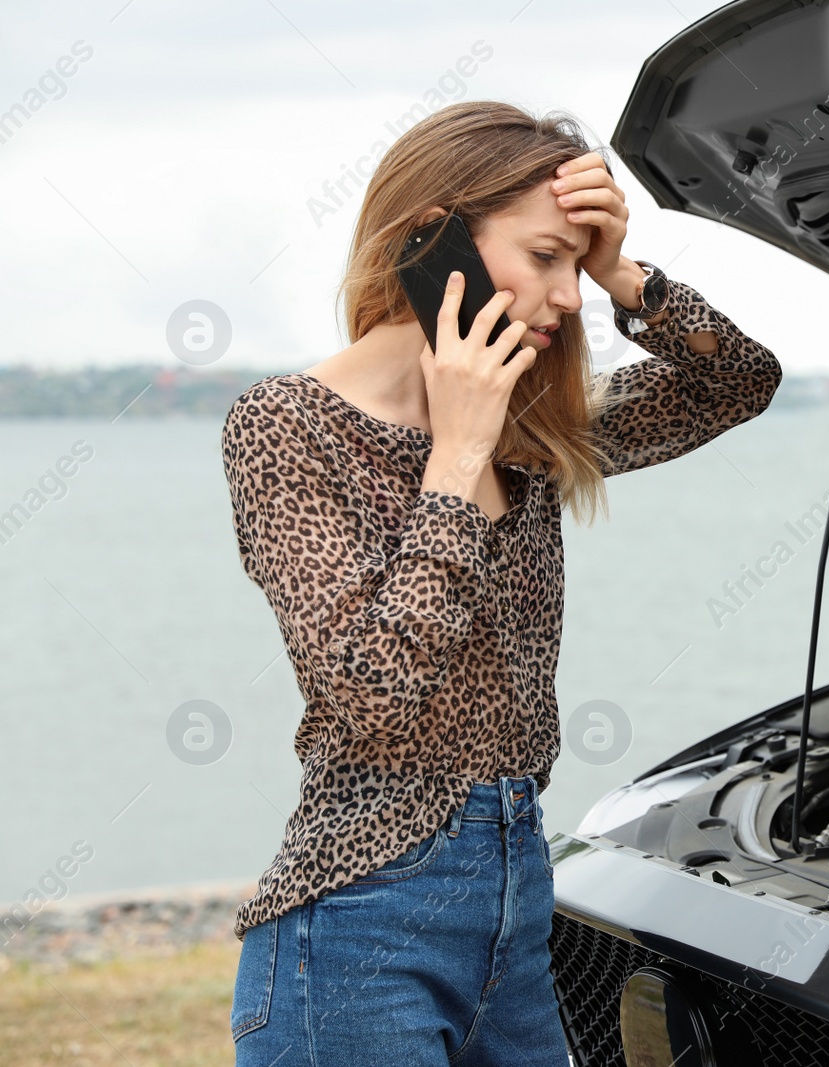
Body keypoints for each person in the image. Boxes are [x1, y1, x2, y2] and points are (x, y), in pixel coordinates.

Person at [221, 100, 782, 1066]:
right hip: (362, 919)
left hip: (517, 898)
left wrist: (623, 273)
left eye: (576, 264)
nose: (566, 299)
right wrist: (456, 457)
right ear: (431, 242)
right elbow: (368, 692)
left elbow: (738, 383)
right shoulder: (285, 425)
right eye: (545, 258)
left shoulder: (532, 427)